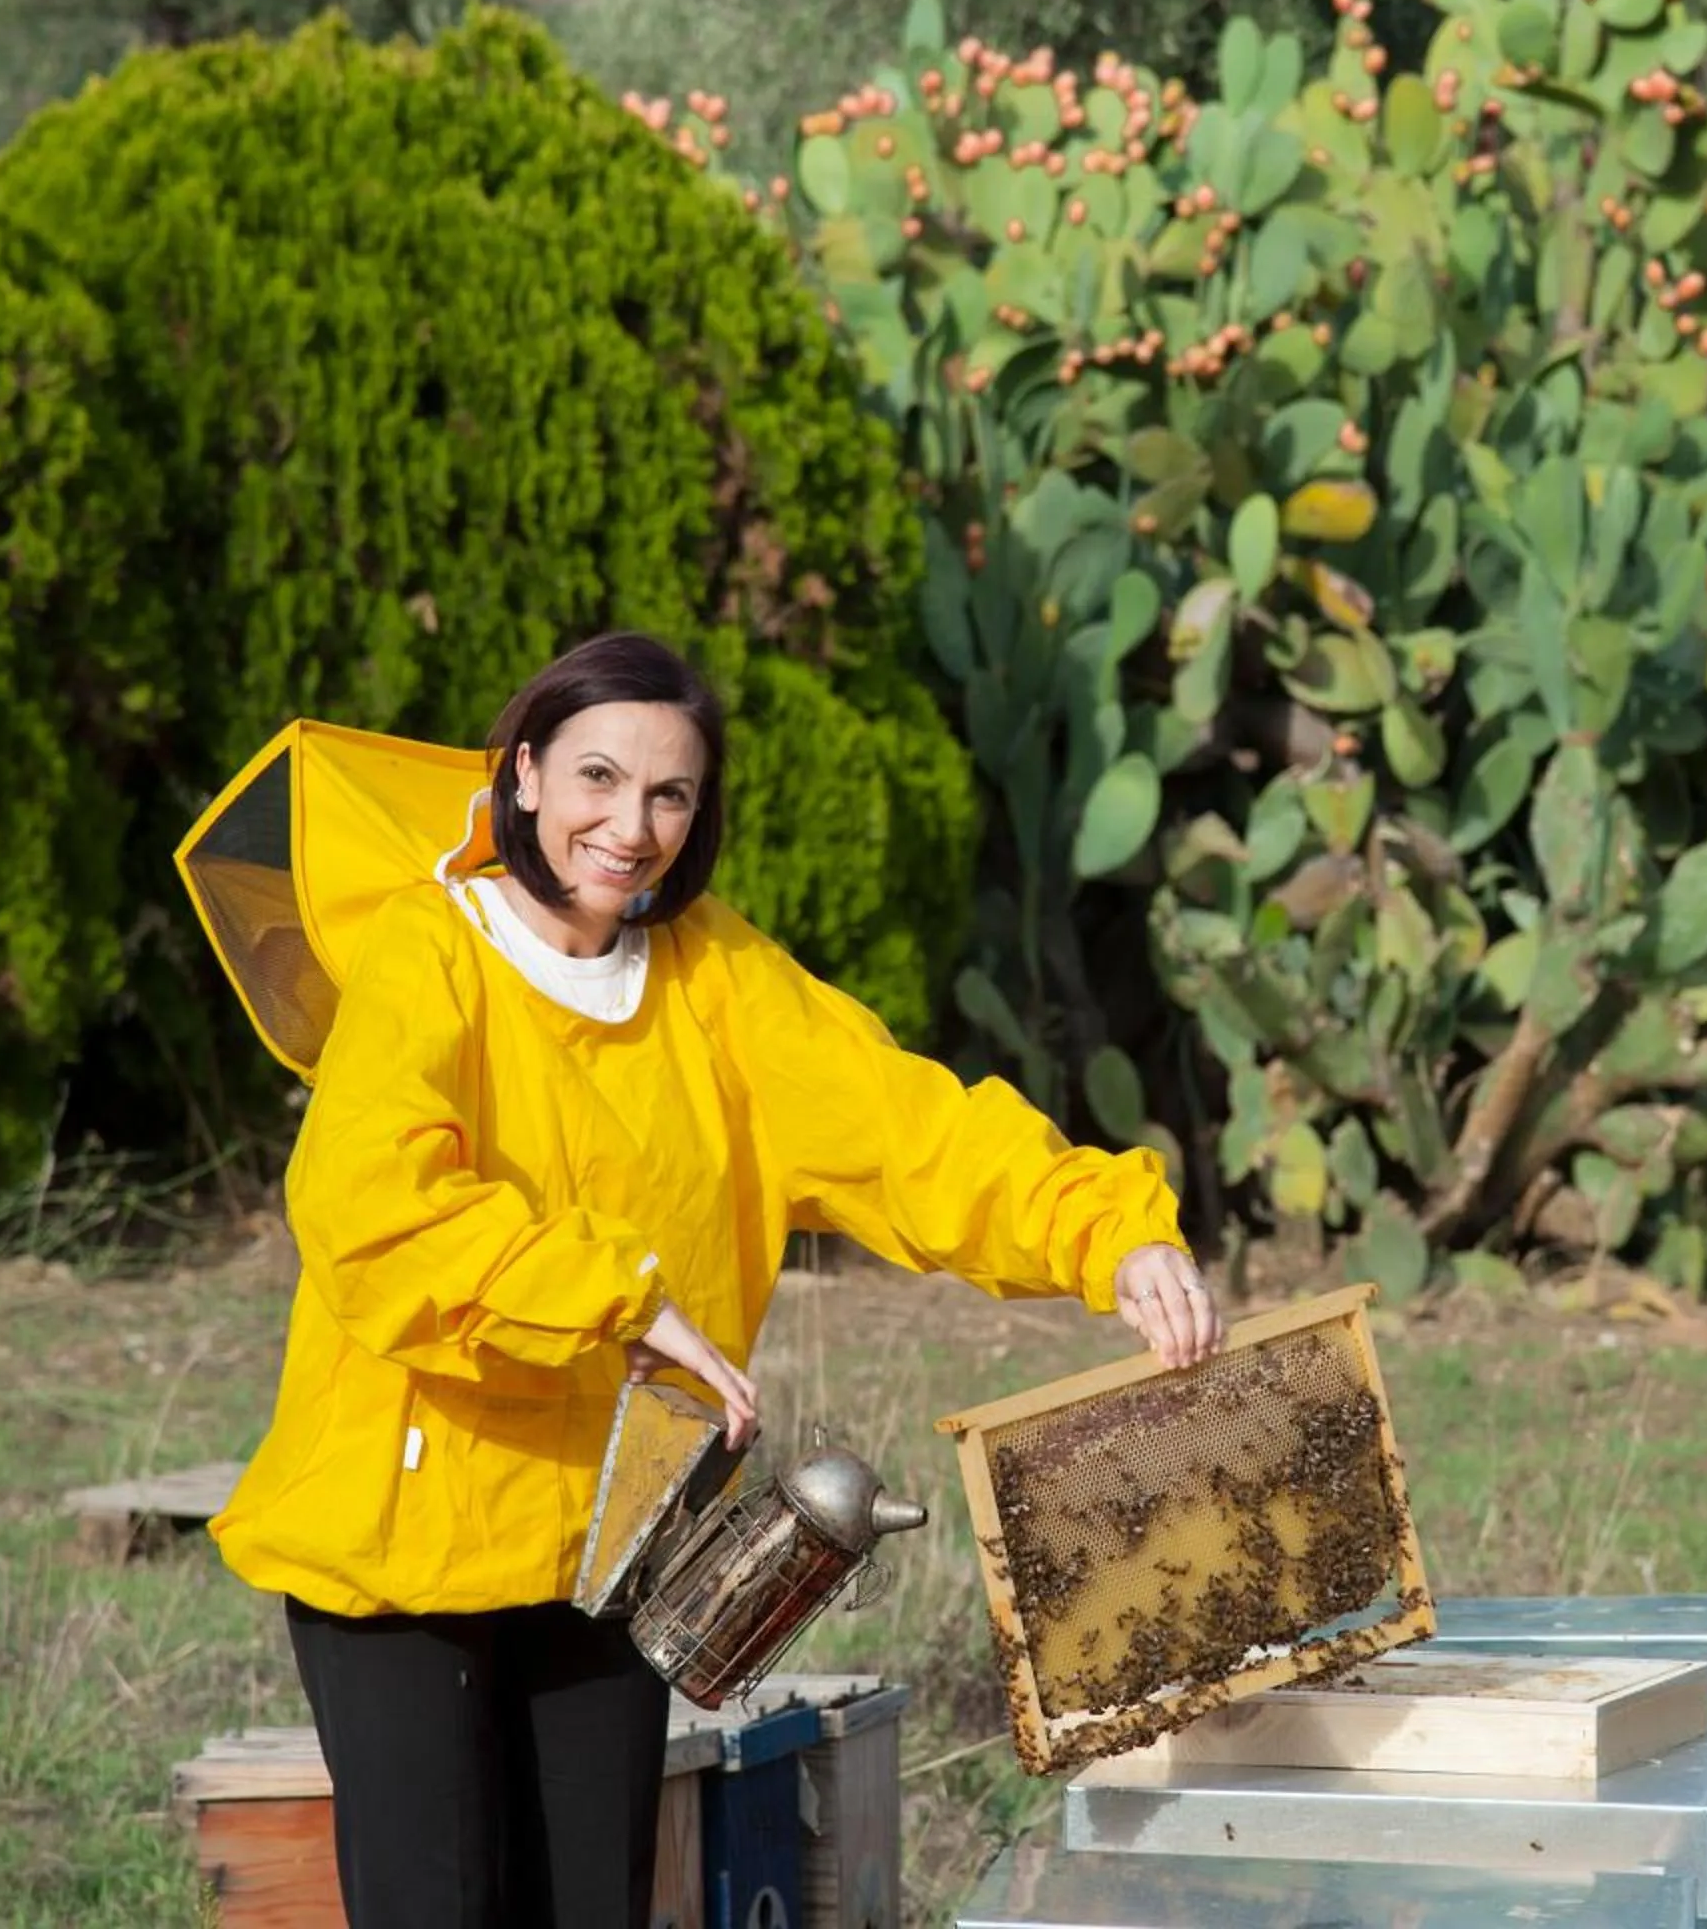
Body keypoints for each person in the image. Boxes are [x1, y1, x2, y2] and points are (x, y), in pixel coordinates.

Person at [185, 630, 1224, 1929]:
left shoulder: (718, 981)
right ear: (522, 776)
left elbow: (910, 1133)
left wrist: (1107, 1232)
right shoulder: (426, 955)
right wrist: (624, 1300)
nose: (630, 826)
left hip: (621, 1528)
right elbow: (377, 1211)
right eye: (598, 780)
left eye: (669, 794)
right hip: (410, 1544)